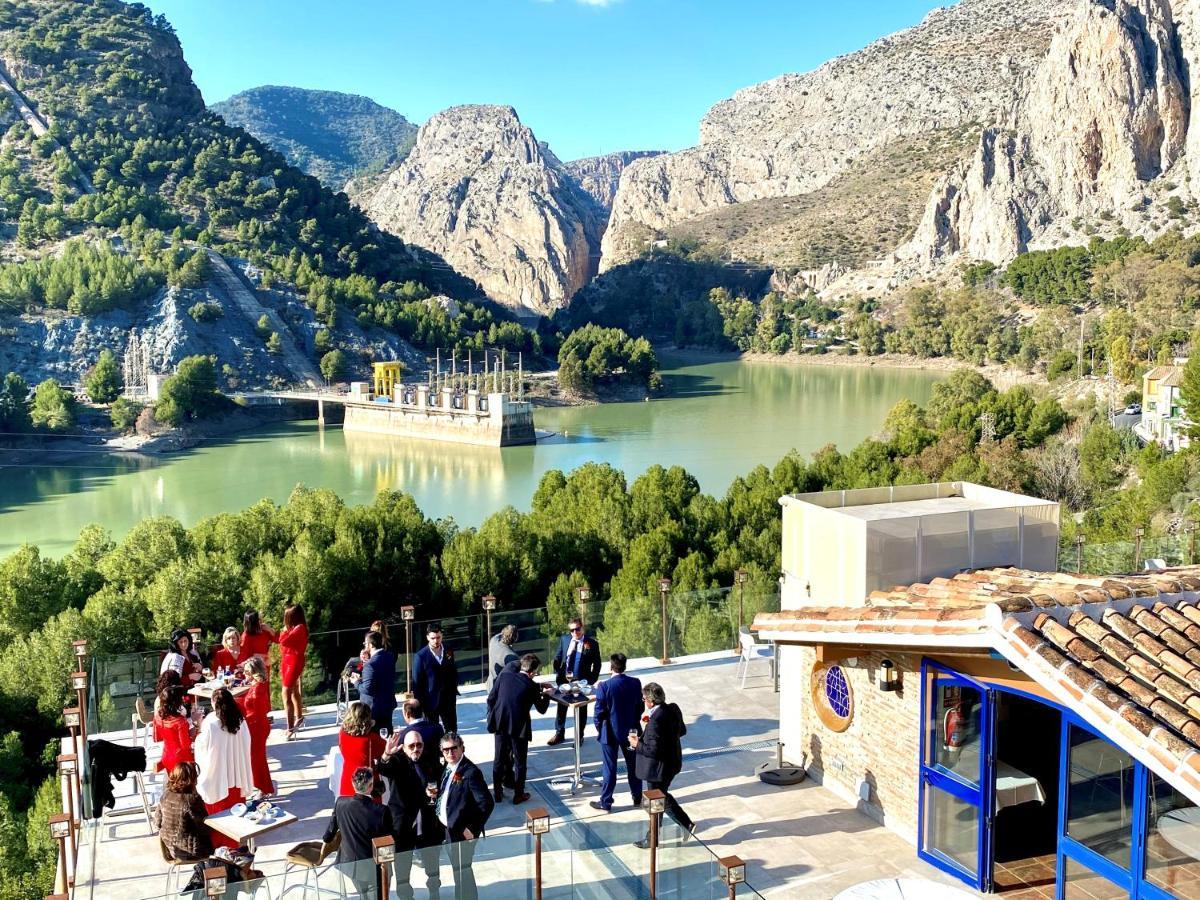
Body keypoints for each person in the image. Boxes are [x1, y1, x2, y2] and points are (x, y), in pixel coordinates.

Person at [378, 729, 442, 900]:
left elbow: (440, 777)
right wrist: (386, 754)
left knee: (432, 862)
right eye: (411, 746)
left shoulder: (429, 760)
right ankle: (406, 897)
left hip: (426, 820)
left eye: (419, 745)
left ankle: (434, 892)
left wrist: (436, 794)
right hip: (402, 823)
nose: (416, 749)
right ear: (404, 748)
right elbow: (383, 768)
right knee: (402, 866)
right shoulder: (398, 760)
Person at [630, 682, 694, 847]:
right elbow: (682, 731)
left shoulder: (656, 721)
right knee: (662, 797)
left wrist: (637, 744)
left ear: (650, 701)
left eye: (644, 698)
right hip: (672, 763)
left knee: (656, 801)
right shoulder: (672, 709)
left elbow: (653, 750)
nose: (643, 701)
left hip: (657, 769)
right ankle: (685, 824)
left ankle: (653, 839)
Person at [433, 732, 493, 900]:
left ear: (462, 748)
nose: (450, 753)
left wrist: (472, 829)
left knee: (463, 872)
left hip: (462, 833)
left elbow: (486, 803)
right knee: (458, 870)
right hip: (448, 828)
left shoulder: (470, 772)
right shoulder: (448, 767)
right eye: (446, 750)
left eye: (454, 749)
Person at [487, 653, 550, 804]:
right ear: (532, 672)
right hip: (519, 728)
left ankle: (497, 792)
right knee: (520, 762)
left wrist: (492, 716)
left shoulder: (504, 676)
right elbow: (542, 709)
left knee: (499, 759)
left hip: (500, 723)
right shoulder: (532, 686)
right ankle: (518, 794)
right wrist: (547, 694)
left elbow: (491, 697)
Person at [323, 766, 394, 899]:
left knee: (363, 895)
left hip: (351, 865)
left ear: (352, 783)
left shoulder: (341, 803)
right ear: (371, 786)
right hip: (374, 868)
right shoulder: (381, 811)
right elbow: (388, 841)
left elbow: (328, 836)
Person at [590, 653, 644, 813]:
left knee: (609, 768)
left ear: (611, 667)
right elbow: (639, 707)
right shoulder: (635, 683)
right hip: (631, 731)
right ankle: (637, 797)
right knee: (633, 765)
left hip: (610, 732)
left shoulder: (604, 686)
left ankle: (606, 802)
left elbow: (598, 713)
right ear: (624, 666)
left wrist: (601, 729)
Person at [194, 687, 255, 826]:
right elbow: (247, 742)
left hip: (218, 775)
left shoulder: (210, 722)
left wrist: (197, 726)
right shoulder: (240, 719)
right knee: (236, 813)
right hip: (236, 774)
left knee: (220, 818)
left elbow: (203, 745)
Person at [548, 618, 600, 745]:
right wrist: (557, 671)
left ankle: (579, 736)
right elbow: (558, 657)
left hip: (582, 682)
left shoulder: (592, 643)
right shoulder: (564, 640)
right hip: (564, 679)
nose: (575, 632)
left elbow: (597, 664)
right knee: (562, 706)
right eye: (572, 630)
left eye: (577, 629)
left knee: (581, 709)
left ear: (582, 628)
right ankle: (559, 733)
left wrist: (591, 680)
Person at [154, 761, 214, 862]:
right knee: (220, 845)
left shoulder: (166, 795)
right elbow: (205, 828)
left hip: (169, 849)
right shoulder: (192, 799)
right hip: (190, 852)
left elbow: (157, 823)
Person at [236, 657, 274, 796]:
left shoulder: (257, 688)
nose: (244, 674)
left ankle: (262, 788)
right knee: (256, 758)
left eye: (247, 672)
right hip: (256, 724)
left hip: (257, 726)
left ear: (254, 672)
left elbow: (257, 711)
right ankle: (264, 787)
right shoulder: (256, 684)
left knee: (256, 759)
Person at [413, 624, 460, 733]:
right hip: (430, 701)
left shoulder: (448, 650)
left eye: (438, 637)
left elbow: (453, 670)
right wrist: (419, 703)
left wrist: (454, 687)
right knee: (432, 731)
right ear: (427, 638)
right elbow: (417, 682)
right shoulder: (421, 656)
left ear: (442, 636)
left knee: (452, 729)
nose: (436, 641)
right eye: (433, 638)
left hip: (448, 699)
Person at [338, 701, 385, 799]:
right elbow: (384, 750)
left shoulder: (342, 733)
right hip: (366, 780)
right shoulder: (370, 739)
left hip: (348, 777)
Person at [279, 603, 309, 738]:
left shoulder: (299, 628)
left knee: (286, 692)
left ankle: (290, 727)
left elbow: (283, 641)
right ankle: (299, 717)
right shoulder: (296, 628)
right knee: (294, 691)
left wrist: (284, 630)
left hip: (293, 661)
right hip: (288, 660)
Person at [358, 630, 398, 732]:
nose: (364, 645)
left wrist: (356, 682)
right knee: (387, 735)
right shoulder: (389, 656)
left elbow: (367, 689)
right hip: (388, 703)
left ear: (370, 645)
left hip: (374, 708)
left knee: (376, 738)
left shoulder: (370, 664)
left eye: (365, 643)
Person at [154, 684, 196, 775]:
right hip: (182, 762)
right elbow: (186, 746)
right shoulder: (180, 721)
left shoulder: (157, 717)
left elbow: (158, 737)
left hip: (166, 757)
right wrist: (194, 729)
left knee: (174, 786)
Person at [399, 698, 445, 780]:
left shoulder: (404, 735)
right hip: (436, 772)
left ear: (407, 714)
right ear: (422, 713)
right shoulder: (437, 727)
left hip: (415, 777)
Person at [485, 625, 519, 691]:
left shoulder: (493, 640)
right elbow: (516, 679)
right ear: (515, 638)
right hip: (500, 691)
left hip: (491, 686)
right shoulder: (512, 656)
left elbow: (500, 634)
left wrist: (506, 632)